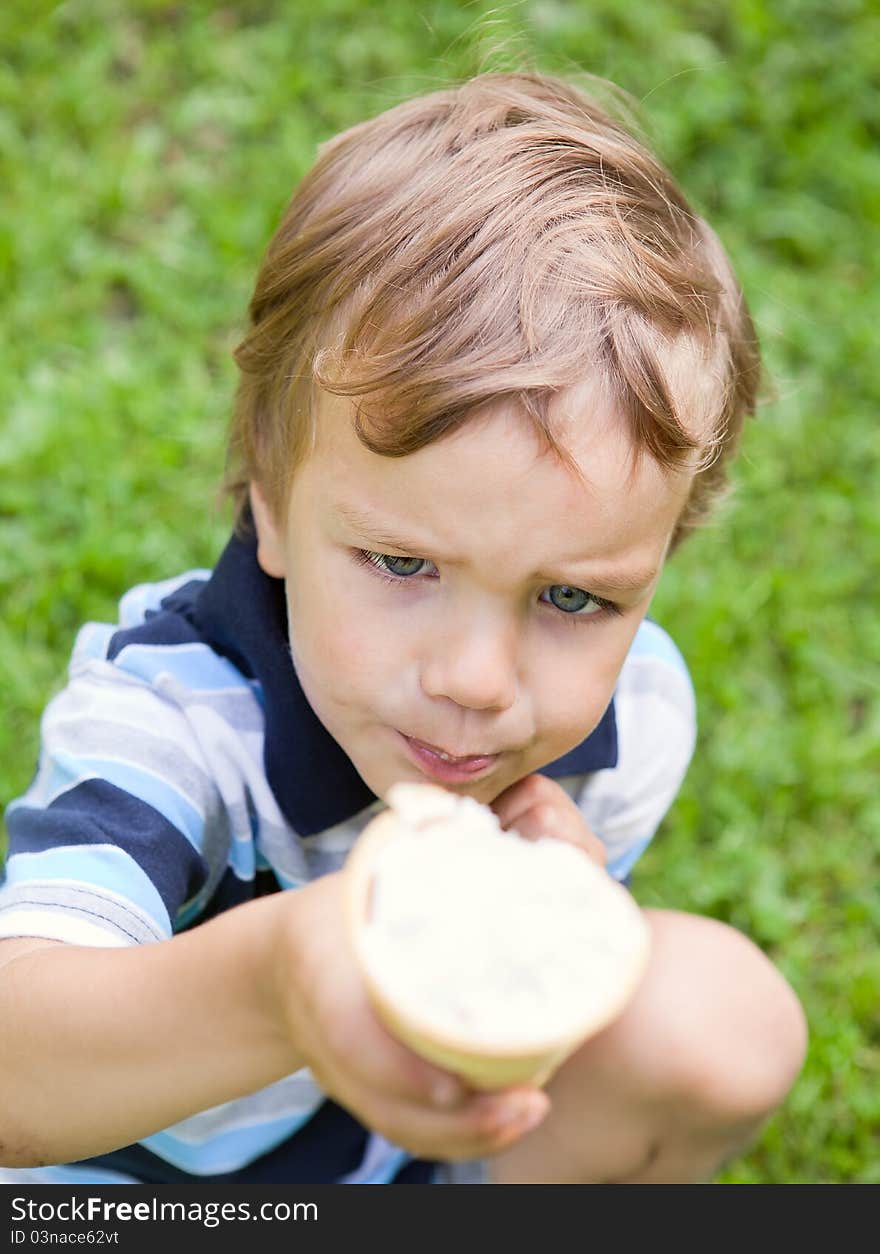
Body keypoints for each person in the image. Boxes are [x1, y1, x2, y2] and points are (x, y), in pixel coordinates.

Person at [0, 71, 806, 1185]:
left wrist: (551, 938)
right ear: (270, 500)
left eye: (572, 598)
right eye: (401, 564)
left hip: (402, 1160)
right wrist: (282, 982)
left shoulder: (635, 719)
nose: (480, 682)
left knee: (722, 1020)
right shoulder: (174, 726)